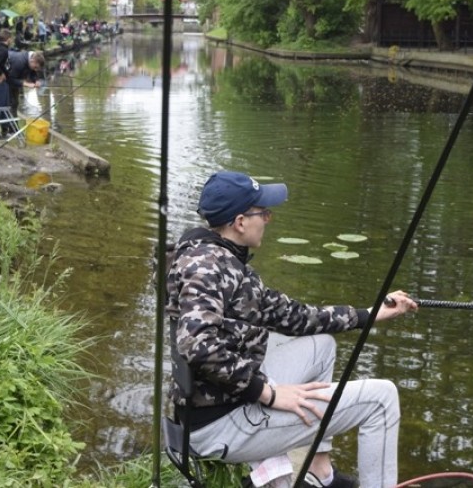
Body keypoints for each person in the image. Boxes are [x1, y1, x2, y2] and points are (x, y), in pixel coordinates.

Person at [167, 171, 418, 488]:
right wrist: (268, 393)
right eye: (263, 213)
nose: (268, 219)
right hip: (219, 424)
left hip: (225, 400)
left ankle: (320, 473)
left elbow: (294, 316)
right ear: (240, 222)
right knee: (382, 399)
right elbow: (197, 345)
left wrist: (369, 314)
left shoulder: (218, 258)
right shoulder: (207, 267)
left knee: (321, 345)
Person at [6, 48, 44, 116]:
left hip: (14, 78)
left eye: (37, 68)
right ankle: (7, 121)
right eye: (35, 67)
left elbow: (32, 72)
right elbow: (10, 79)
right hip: (3, 79)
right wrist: (25, 84)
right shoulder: (19, 62)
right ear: (32, 61)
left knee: (15, 102)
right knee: (10, 103)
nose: (36, 70)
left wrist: (36, 80)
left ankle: (14, 121)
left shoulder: (30, 60)